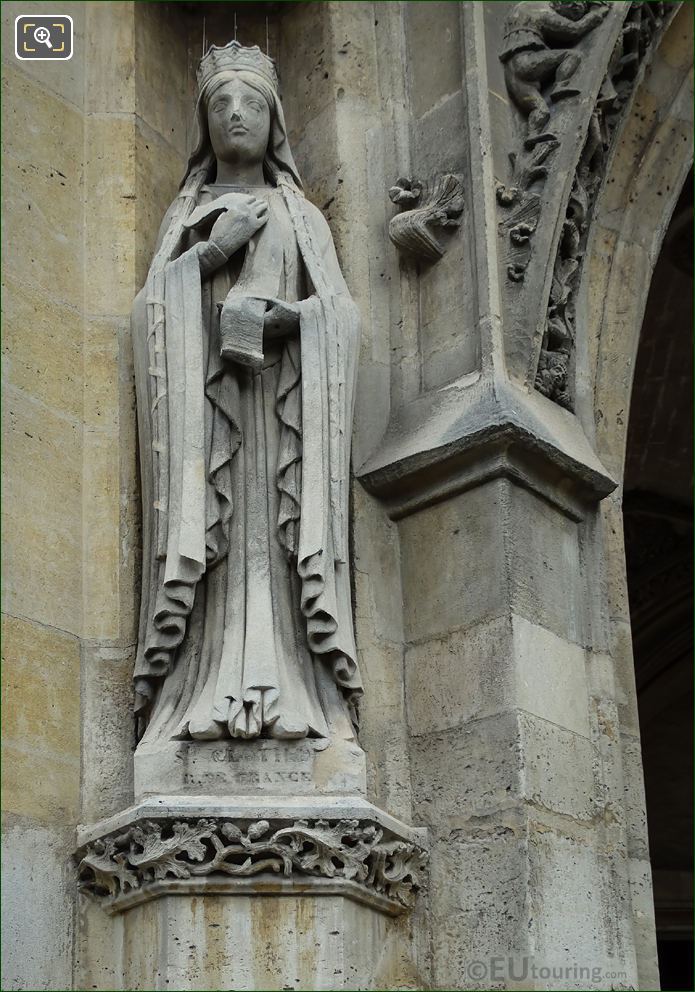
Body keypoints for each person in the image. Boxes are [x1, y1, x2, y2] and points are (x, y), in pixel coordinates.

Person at [131, 41, 362, 745]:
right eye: (221, 103)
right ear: (204, 121)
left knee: (279, 553)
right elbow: (148, 318)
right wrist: (210, 254)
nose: (236, 114)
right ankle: (199, 693)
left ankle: (295, 691)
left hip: (284, 415)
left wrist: (294, 321)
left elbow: (343, 317)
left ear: (275, 121)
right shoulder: (188, 213)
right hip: (207, 425)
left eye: (252, 103)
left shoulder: (301, 217)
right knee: (219, 549)